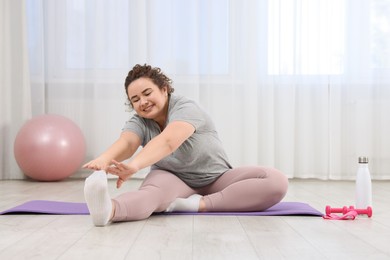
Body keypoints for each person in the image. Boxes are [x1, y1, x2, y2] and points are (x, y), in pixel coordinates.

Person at [83, 64, 288, 226]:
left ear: (164, 89)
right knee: (151, 195)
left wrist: (134, 166)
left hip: (216, 176)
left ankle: (199, 204)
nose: (142, 102)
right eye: (135, 99)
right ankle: (109, 211)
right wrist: (104, 159)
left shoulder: (185, 107)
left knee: (275, 180)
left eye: (147, 93)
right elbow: (127, 142)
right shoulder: (139, 121)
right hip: (171, 177)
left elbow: (169, 140)